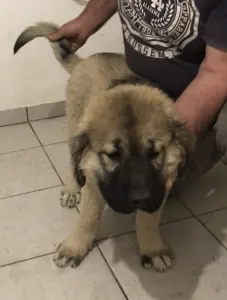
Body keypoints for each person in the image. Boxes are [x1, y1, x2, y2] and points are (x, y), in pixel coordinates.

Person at [49, 0, 227, 191]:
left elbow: (217, 73)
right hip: (140, 80)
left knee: (162, 182)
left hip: (190, 95)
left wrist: (175, 143)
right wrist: (86, 21)